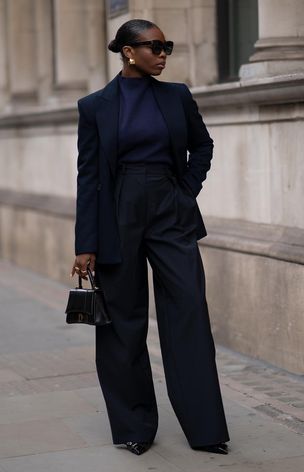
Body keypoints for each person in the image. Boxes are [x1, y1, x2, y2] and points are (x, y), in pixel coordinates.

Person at [70, 18, 230, 456]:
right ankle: (134, 426)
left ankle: (207, 428)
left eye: (167, 47)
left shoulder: (176, 97)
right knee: (123, 321)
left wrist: (185, 192)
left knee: (189, 312)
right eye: (155, 46)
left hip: (170, 209)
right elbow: (88, 177)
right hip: (116, 212)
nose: (163, 55)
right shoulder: (96, 106)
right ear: (128, 51)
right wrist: (85, 243)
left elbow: (203, 146)